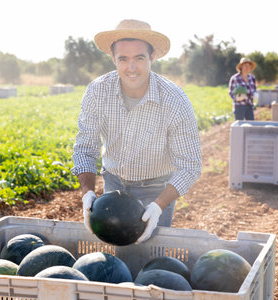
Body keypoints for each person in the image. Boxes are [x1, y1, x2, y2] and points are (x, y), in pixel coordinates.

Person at [71, 19, 202, 244]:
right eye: (123, 59)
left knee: (151, 254)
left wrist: (158, 206)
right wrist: (87, 193)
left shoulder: (174, 100)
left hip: (157, 188)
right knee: (116, 254)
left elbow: (190, 165)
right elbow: (85, 148)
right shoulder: (97, 92)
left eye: (139, 58)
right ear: (113, 59)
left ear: (152, 57)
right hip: (113, 184)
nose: (131, 67)